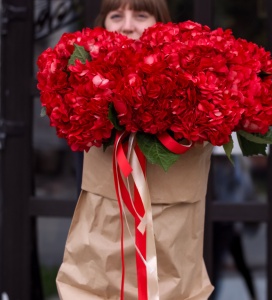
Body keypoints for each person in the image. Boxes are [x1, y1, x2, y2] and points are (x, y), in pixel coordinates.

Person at [56, 1, 214, 299]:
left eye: (141, 15)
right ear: (103, 26)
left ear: (161, 25)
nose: (127, 25)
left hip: (173, 263)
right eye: (117, 16)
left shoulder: (192, 78)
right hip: (99, 265)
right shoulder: (83, 81)